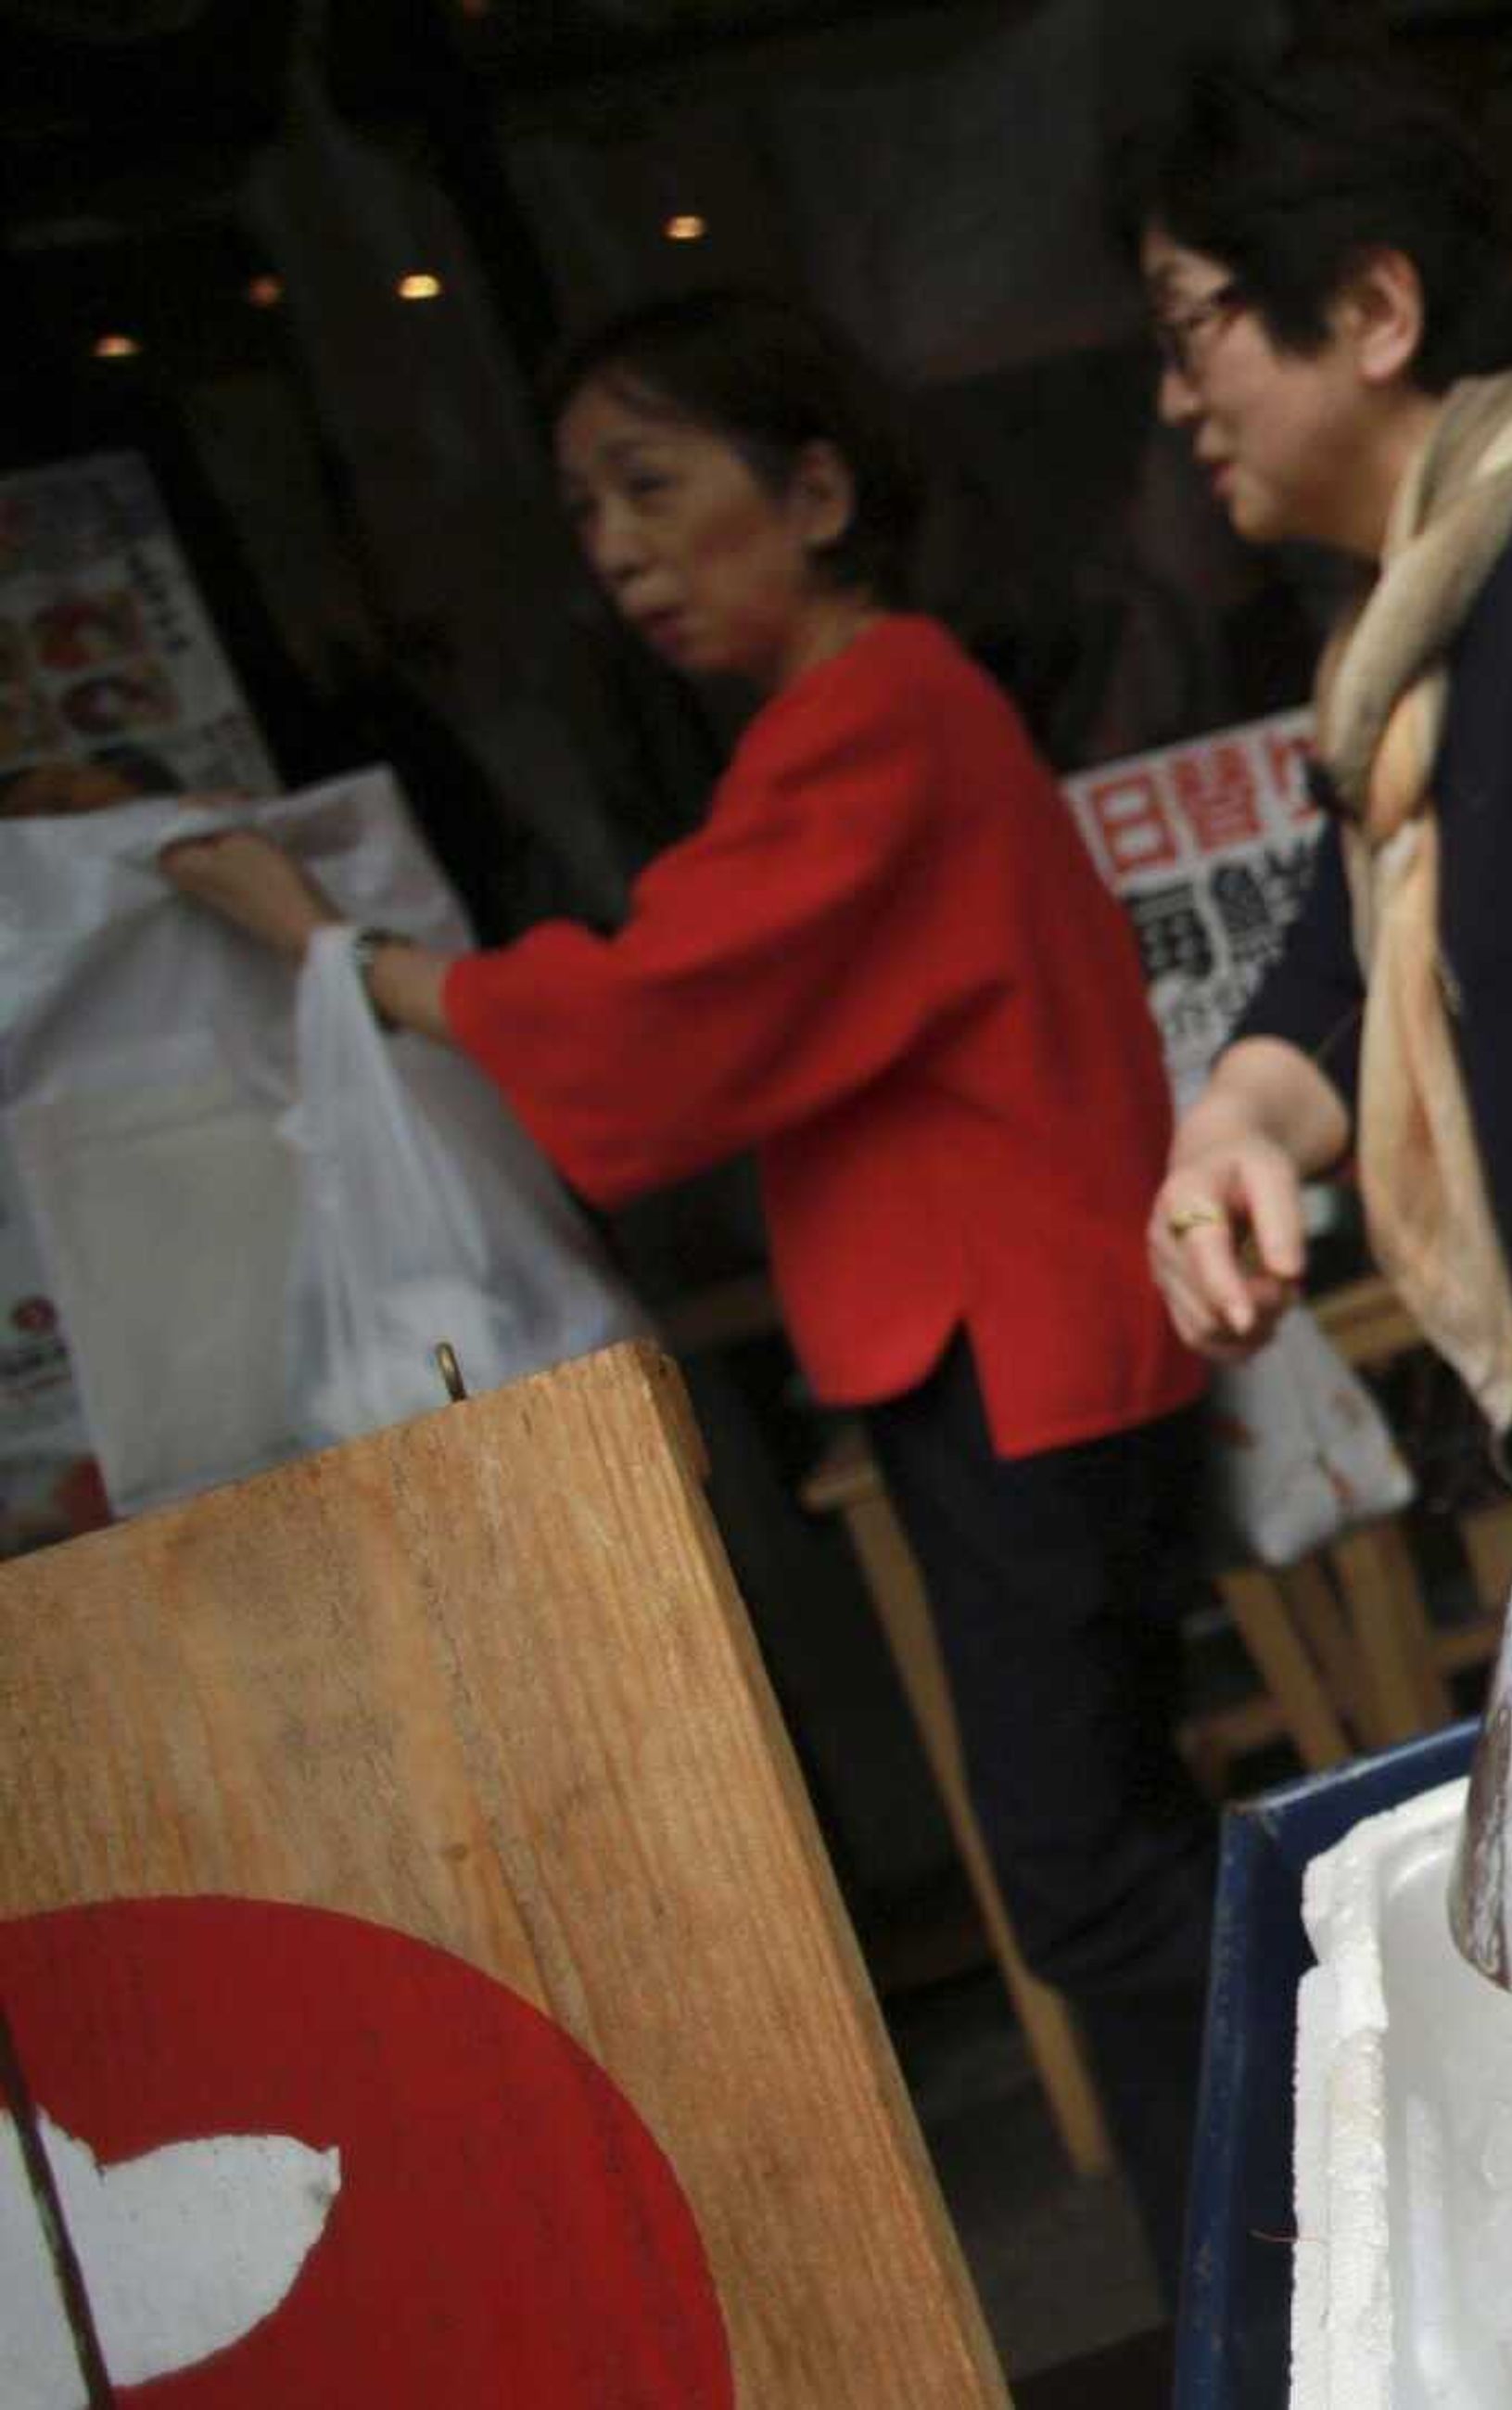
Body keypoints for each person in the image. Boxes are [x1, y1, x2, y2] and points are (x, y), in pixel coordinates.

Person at [158, 289, 1219, 2292]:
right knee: (1115, 1853)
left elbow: (654, 1029)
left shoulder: (876, 711)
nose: (619, 549)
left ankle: (1295, 2231)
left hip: (1012, 1355)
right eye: (586, 509)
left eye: (652, 485)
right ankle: (1261, 2256)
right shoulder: (870, 717)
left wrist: (342, 954)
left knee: (1094, 1882)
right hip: (1023, 1349)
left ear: (815, 490)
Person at [1130, 48, 1512, 1453]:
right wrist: (1228, 1135)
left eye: (1194, 329)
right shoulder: (1396, 662)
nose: (1176, 401)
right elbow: (1342, 974)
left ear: (1375, 310)